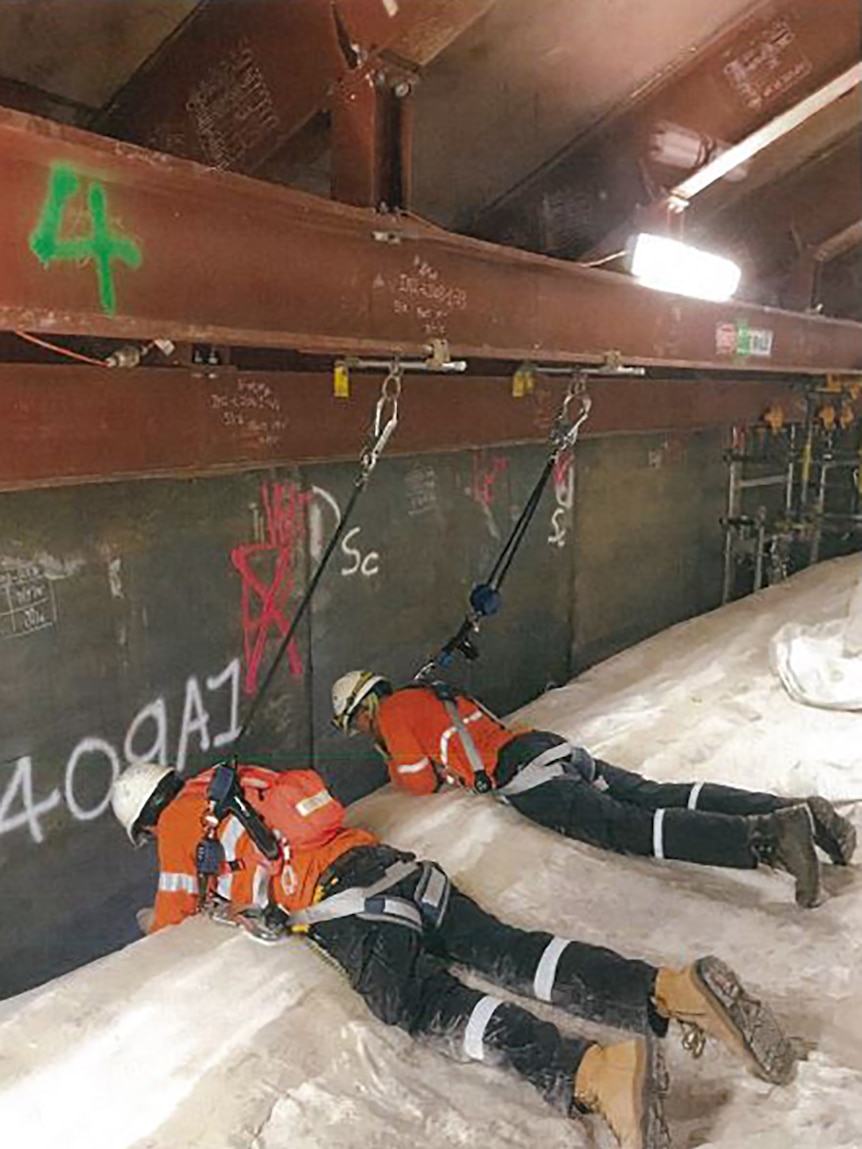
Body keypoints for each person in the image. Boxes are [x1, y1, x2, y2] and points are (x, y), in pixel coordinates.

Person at [111, 759, 800, 1149]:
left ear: (145, 816)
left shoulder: (178, 824)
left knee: (422, 1002)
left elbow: (172, 915)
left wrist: (166, 915)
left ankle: (593, 1068)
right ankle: (671, 990)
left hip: (344, 906)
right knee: (515, 951)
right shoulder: (240, 779)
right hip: (396, 868)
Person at [330, 671, 858, 909]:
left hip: (525, 776)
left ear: (363, 708)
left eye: (355, 725)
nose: (361, 733)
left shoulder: (395, 713)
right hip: (545, 747)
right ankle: (793, 810)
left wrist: (391, 757)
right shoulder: (428, 694)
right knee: (654, 794)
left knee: (623, 826)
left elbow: (418, 784)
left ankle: (765, 837)